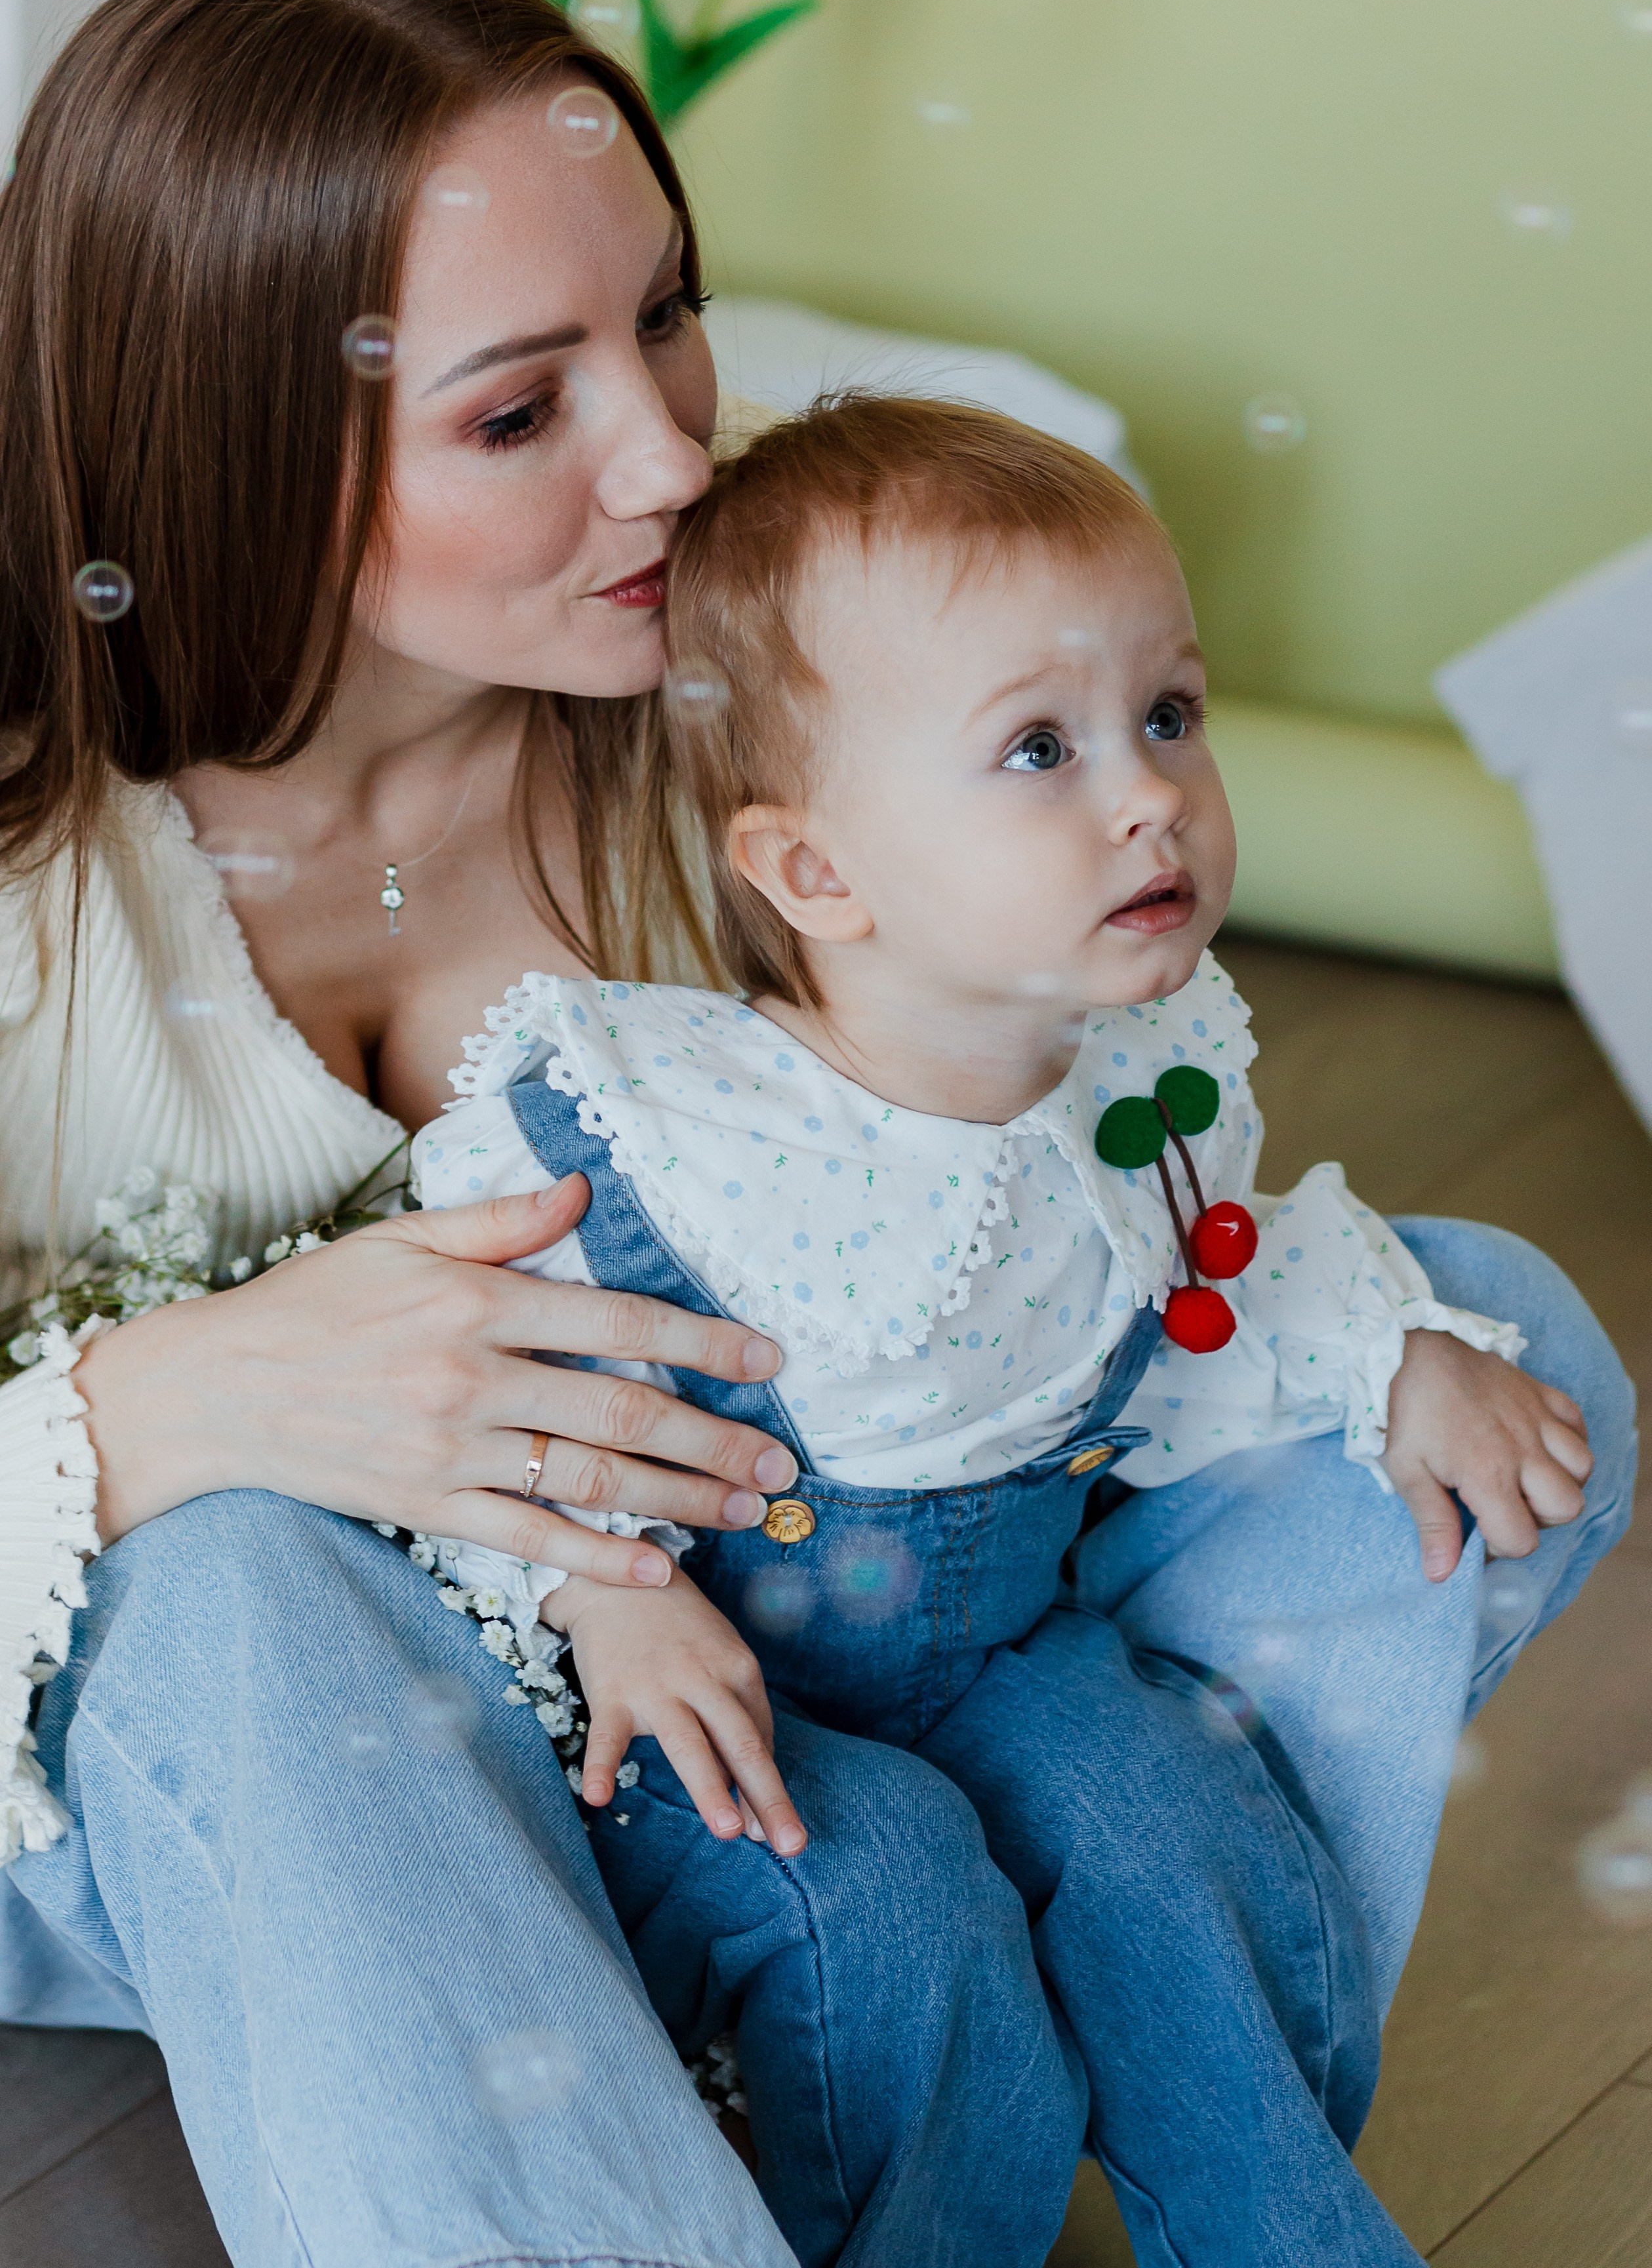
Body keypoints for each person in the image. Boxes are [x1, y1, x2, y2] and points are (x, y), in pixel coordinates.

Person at [0, 0, 1070, 2268]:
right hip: (139, 1761)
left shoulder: (754, 735)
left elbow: (1061, 1117)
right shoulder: (30, 876)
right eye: (520, 410)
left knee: (1485, 1330)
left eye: (669, 311)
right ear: (237, 452)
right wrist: (169, 1407)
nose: (676, 449)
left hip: (659, 1677)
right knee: (249, 1583)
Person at [411, 395, 1626, 2268]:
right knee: (897, 1918)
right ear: (817, 874)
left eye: (1171, 715)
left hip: (995, 1642)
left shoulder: (1138, 1073)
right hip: (711, 1687)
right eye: (1039, 748)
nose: (1148, 792)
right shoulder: (672, 1124)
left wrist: (1398, 1344)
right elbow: (486, 1370)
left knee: (1171, 1835)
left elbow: (1202, 1271)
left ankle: (1284, 2229)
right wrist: (608, 1586)